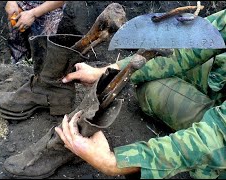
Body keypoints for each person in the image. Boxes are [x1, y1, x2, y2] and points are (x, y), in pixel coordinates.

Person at [55, 9, 226, 179]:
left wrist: (115, 163)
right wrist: (107, 72)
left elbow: (217, 136)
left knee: (209, 154)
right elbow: (190, 45)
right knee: (149, 82)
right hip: (220, 77)